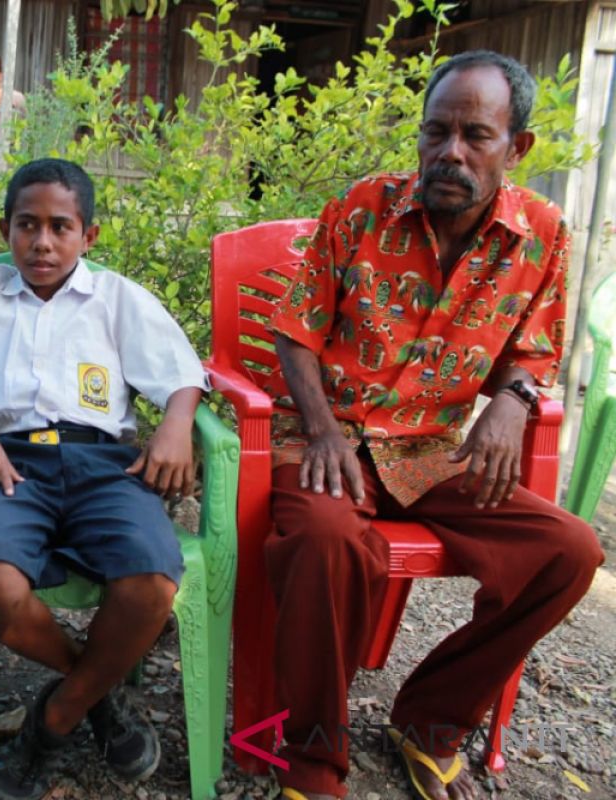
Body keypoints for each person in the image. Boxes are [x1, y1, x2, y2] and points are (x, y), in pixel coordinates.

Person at [263, 51, 604, 800]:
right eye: (436, 131)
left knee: (569, 550)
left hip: (429, 452)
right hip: (333, 441)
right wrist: (320, 428)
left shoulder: (542, 233)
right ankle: (316, 758)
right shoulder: (363, 207)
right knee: (324, 540)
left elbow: (532, 349)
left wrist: (513, 403)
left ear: (518, 148)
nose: (450, 152)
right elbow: (296, 331)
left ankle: (432, 719)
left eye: (476, 135)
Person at [0, 158, 206, 800]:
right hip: (8, 462)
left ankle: (54, 717)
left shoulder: (116, 298)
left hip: (104, 467)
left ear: (89, 235)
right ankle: (98, 695)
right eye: (27, 224)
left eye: (62, 226)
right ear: (5, 228)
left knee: (150, 581)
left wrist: (175, 424)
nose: (42, 241)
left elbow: (181, 373)